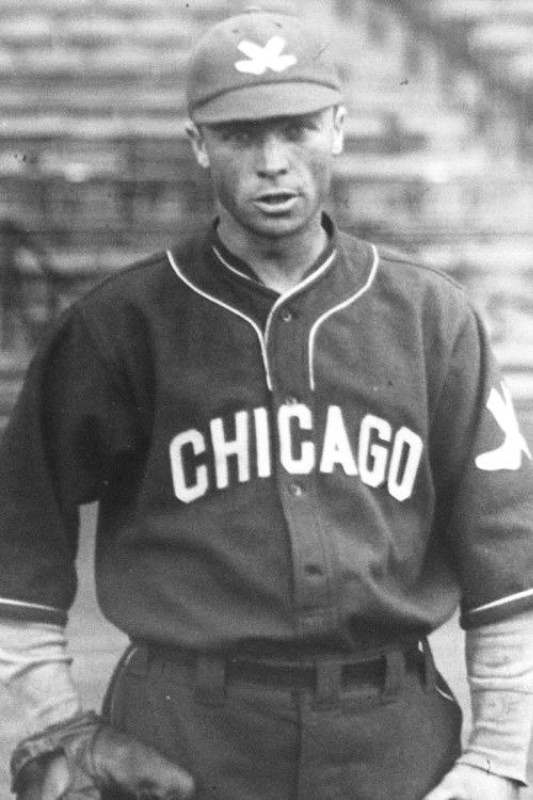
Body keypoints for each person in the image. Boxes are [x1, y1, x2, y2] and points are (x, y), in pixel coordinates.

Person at [0, 9, 531, 800]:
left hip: (392, 738)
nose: (273, 164)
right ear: (198, 144)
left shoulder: (431, 318)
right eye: (241, 135)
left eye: (296, 129)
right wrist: (52, 725)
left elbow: (510, 565)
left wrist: (497, 758)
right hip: (182, 741)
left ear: (338, 128)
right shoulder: (120, 324)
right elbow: (16, 540)